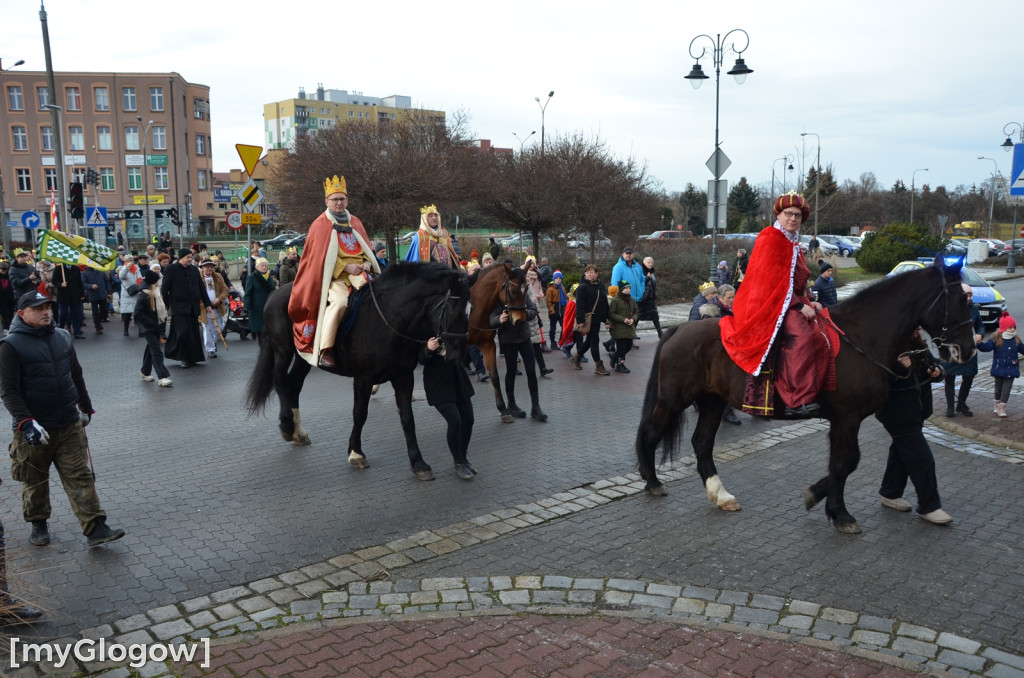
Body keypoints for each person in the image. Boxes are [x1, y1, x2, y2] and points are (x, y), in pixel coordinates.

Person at [0, 291, 126, 548]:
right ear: (21, 314)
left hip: (68, 423)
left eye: (48, 307)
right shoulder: (9, 345)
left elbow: (76, 375)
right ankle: (38, 524)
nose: (46, 312)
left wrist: (86, 407)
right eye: (38, 308)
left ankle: (95, 528)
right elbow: (8, 390)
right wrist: (25, 422)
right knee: (35, 481)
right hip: (33, 429)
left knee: (80, 476)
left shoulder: (63, 336)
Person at [719, 193, 833, 418]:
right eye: (788, 214)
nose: (793, 218)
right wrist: (799, 307)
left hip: (790, 301)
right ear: (778, 215)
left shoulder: (792, 242)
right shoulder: (770, 237)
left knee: (822, 332)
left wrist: (810, 301)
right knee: (802, 337)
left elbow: (795, 280)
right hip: (769, 303)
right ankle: (795, 400)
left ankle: (819, 389)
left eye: (797, 215)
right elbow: (768, 281)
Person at [288, 175, 379, 368]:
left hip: (362, 275)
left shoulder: (355, 222)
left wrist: (366, 264)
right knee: (339, 303)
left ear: (347, 200)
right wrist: (345, 267)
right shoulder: (319, 225)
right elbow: (317, 257)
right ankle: (325, 349)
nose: (339, 202)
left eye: (342, 199)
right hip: (336, 278)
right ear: (326, 201)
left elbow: (366, 250)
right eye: (335, 199)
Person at [877, 332, 952, 525]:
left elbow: (934, 365)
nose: (918, 328)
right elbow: (878, 380)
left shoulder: (918, 344)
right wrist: (900, 369)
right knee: (922, 459)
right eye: (914, 325)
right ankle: (929, 506)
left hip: (917, 411)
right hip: (898, 414)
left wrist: (937, 371)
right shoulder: (889, 345)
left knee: (901, 452)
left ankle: (890, 492)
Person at [420, 336, 476, 479]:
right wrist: (428, 349)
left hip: (458, 379)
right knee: (455, 421)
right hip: (438, 384)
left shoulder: (451, 324)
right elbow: (420, 359)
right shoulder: (423, 327)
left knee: (468, 419)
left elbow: (465, 350)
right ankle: (458, 462)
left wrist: (455, 348)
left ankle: (463, 458)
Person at [490, 290, 547, 422]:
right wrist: (499, 319)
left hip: (524, 337)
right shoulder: (498, 297)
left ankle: (535, 406)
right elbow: (491, 320)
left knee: (531, 370)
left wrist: (524, 313)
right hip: (508, 340)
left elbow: (533, 309)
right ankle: (511, 404)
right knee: (511, 371)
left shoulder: (521, 294)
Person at [162, 249, 210, 368]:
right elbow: (164, 289)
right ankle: (183, 357)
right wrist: (165, 306)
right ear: (181, 257)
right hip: (179, 308)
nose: (190, 259)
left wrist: (207, 303)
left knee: (193, 334)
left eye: (191, 257)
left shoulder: (194, 269)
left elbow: (201, 288)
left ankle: (193, 358)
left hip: (193, 307)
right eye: (188, 257)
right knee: (183, 333)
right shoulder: (171, 269)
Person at [942, 283, 984, 418]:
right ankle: (950, 407)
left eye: (970, 295)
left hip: (969, 349)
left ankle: (961, 404)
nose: (968, 298)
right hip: (952, 348)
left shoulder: (974, 310)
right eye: (966, 295)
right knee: (949, 376)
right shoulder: (949, 309)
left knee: (969, 376)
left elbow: (980, 326)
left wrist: (980, 335)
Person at [977, 311, 1024, 418]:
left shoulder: (1016, 340)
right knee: (998, 389)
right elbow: (986, 348)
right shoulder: (996, 339)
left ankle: (1002, 407)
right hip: (999, 369)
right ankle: (996, 404)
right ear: (1003, 328)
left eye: (1013, 327)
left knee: (1007, 389)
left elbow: (1022, 349)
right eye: (1010, 327)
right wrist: (979, 343)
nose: (1012, 329)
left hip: (1011, 369)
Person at [134, 270, 172, 387]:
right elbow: (137, 314)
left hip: (155, 326)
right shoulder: (144, 295)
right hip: (148, 328)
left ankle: (145, 371)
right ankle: (162, 377)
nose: (158, 283)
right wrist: (151, 323)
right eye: (157, 281)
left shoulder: (154, 292)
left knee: (150, 349)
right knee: (156, 351)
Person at [571, 265, 610, 376]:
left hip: (598, 318)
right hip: (589, 319)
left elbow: (604, 302)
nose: (589, 274)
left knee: (589, 341)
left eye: (591, 272)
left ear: (597, 273)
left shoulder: (601, 286)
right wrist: (580, 319)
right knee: (594, 341)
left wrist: (608, 317)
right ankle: (598, 365)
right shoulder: (582, 287)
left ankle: (576, 357)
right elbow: (579, 305)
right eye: (587, 272)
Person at [198, 258, 229, 358]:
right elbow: (195, 294)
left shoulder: (218, 276)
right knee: (208, 329)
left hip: (217, 307)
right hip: (205, 309)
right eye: (207, 267)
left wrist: (219, 299)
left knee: (220, 327)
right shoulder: (198, 278)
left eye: (211, 267)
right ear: (202, 268)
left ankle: (213, 341)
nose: (209, 269)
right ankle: (210, 349)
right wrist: (205, 304)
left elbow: (225, 290)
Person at [524, 269, 553, 375]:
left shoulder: (529, 286)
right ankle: (529, 371)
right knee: (526, 349)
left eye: (528, 276)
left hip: (533, 319)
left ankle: (542, 368)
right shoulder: (520, 288)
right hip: (525, 321)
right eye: (525, 276)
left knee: (536, 346)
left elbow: (534, 301)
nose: (527, 278)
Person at [607, 280, 638, 373]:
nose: (628, 290)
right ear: (621, 289)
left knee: (628, 346)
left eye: (629, 288)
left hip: (629, 328)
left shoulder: (632, 300)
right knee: (621, 349)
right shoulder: (615, 300)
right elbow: (611, 314)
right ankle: (620, 365)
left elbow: (636, 311)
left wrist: (633, 319)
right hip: (619, 329)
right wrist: (623, 319)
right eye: (626, 288)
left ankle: (614, 356)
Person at [244, 257, 276, 345]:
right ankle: (262, 346)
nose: (264, 267)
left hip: (268, 305)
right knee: (260, 329)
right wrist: (246, 306)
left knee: (269, 329)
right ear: (257, 267)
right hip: (257, 307)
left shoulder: (269, 277)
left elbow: (273, 290)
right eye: (262, 266)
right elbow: (248, 292)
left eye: (265, 265)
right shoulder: (252, 277)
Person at [55, 264, 86, 339]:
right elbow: (54, 280)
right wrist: (60, 284)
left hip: (75, 295)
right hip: (63, 296)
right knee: (63, 314)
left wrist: (82, 294)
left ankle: (77, 332)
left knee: (76, 314)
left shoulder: (76, 268)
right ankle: (60, 332)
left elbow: (79, 282)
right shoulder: (59, 268)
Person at [117, 253, 143, 336]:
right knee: (127, 314)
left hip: (136, 292)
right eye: (129, 260)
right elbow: (121, 276)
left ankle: (140, 330)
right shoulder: (123, 268)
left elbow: (140, 278)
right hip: (128, 294)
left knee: (138, 313)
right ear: (125, 261)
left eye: (132, 260)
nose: (131, 262)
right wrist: (127, 267)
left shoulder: (136, 269)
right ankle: (125, 329)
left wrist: (140, 283)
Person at [637, 256, 662, 338]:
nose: (650, 264)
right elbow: (639, 283)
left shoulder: (651, 272)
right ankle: (631, 334)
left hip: (651, 299)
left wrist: (654, 294)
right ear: (644, 263)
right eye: (648, 262)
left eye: (651, 262)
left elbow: (653, 284)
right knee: (636, 317)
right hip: (643, 299)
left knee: (655, 316)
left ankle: (660, 333)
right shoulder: (640, 272)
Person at [81, 265, 110, 335]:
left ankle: (98, 321)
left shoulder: (101, 271)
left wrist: (109, 292)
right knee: (95, 312)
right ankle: (97, 327)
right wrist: (91, 286)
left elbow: (106, 282)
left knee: (104, 311)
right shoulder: (85, 273)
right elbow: (83, 284)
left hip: (102, 294)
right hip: (93, 294)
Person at [546, 271, 567, 350]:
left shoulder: (562, 287)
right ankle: (552, 342)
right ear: (554, 279)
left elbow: (565, 298)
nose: (558, 280)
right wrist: (552, 311)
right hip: (554, 311)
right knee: (553, 328)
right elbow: (548, 302)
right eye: (557, 278)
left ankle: (561, 341)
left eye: (560, 278)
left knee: (564, 327)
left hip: (562, 310)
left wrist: (566, 307)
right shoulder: (550, 289)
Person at [0, 261, 14, 333]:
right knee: (5, 314)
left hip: (10, 297)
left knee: (11, 313)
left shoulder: (9, 276)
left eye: (5, 270)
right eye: (2, 270)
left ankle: (9, 326)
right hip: (2, 299)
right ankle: (7, 327)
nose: (4, 272)